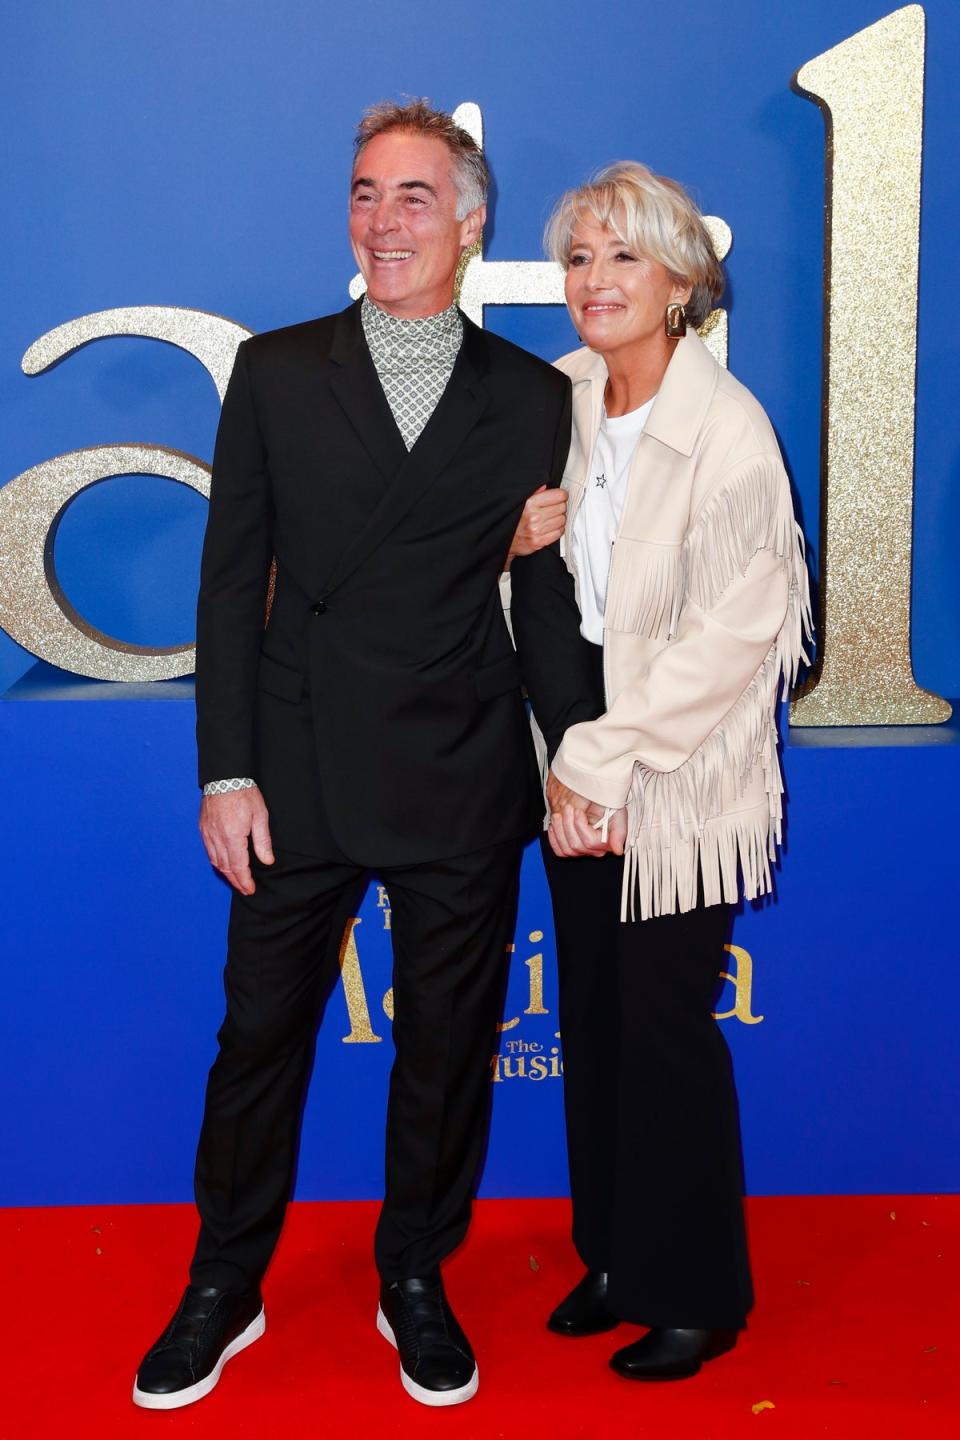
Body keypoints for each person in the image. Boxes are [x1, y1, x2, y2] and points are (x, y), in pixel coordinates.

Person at [132, 99, 571, 1412]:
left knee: (442, 1047)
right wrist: (224, 773)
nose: (385, 220)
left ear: (472, 224)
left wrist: (582, 764)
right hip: (298, 765)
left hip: (458, 768)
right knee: (258, 1036)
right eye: (368, 194)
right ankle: (224, 1282)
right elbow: (228, 585)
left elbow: (545, 607)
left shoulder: (534, 397)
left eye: (416, 196)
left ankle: (415, 1277)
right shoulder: (276, 371)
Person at [510, 161, 811, 1382]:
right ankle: (619, 1256)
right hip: (575, 782)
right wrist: (512, 542)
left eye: (623, 256)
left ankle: (698, 1290)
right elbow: (549, 598)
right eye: (579, 258)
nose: (595, 280)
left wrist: (607, 763)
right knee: (597, 1022)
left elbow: (736, 640)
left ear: (681, 281)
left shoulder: (726, 429)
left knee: (668, 1034)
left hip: (675, 790)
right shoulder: (562, 399)